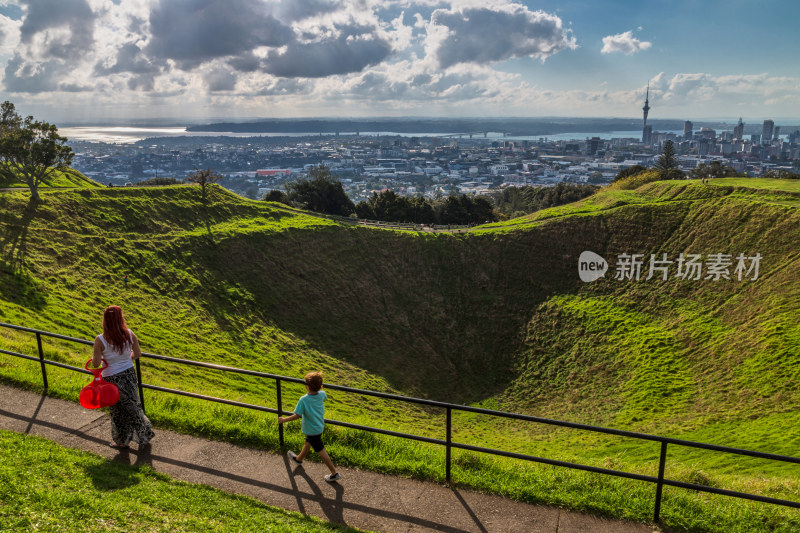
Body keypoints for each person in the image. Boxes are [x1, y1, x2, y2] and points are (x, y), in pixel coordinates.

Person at [92, 305, 154, 449]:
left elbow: (95, 364)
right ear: (121, 319)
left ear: (105, 320)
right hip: (129, 374)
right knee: (133, 405)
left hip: (111, 378)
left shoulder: (100, 340)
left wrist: (103, 357)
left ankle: (121, 441)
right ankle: (144, 433)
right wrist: (126, 359)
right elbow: (137, 354)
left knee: (117, 411)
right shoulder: (130, 334)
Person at [278, 371, 340, 482]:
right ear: (320, 386)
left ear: (307, 386)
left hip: (312, 430)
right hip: (319, 426)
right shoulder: (322, 394)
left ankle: (334, 473)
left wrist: (283, 420)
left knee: (321, 450)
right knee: (308, 442)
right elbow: (323, 397)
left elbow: (297, 415)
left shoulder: (304, 400)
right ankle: (298, 459)